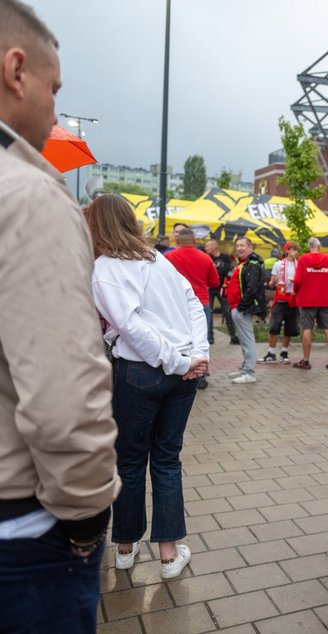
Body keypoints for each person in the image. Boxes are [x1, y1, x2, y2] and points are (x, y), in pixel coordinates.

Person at [0, 3, 121, 630]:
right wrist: (86, 519)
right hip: (24, 532)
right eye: (55, 88)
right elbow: (62, 402)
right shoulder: (27, 196)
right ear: (15, 69)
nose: (56, 109)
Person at [85, 194, 209, 581]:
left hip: (140, 373)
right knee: (168, 459)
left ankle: (125, 547)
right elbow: (193, 305)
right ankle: (170, 554)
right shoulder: (157, 259)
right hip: (181, 374)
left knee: (131, 459)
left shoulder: (105, 267)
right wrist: (194, 356)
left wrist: (181, 359)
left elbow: (130, 326)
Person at [165, 227, 219, 389]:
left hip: (175, 304)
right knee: (200, 339)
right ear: (194, 241)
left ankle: (178, 370)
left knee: (176, 337)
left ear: (177, 240)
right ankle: (201, 375)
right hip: (201, 302)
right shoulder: (205, 258)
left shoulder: (168, 257)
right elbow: (215, 282)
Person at [293, 236, 328, 370]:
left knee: (307, 328)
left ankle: (306, 361)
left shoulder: (303, 259)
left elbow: (298, 280)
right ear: (319, 247)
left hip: (307, 299)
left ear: (309, 247)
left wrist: (296, 291)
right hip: (324, 299)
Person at [226, 236, 267, 383]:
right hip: (239, 307)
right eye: (237, 246)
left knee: (247, 341)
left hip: (242, 308)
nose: (239, 248)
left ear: (250, 248)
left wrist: (241, 306)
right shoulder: (245, 264)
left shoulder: (252, 265)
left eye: (242, 245)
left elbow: (252, 289)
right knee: (244, 340)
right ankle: (245, 368)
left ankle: (249, 372)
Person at [260, 241, 299, 364]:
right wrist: (273, 282)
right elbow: (271, 283)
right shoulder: (278, 264)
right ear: (287, 250)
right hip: (281, 299)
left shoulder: (299, 265)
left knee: (290, 328)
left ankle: (284, 352)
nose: (295, 252)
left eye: (296, 250)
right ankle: (271, 352)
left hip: (293, 300)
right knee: (274, 326)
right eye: (293, 250)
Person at [204, 239, 240, 345]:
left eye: (208, 246)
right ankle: (209, 337)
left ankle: (233, 336)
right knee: (208, 312)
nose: (206, 248)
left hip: (222, 288)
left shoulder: (225, 258)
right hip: (209, 289)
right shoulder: (206, 257)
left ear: (215, 246)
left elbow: (229, 270)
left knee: (227, 311)